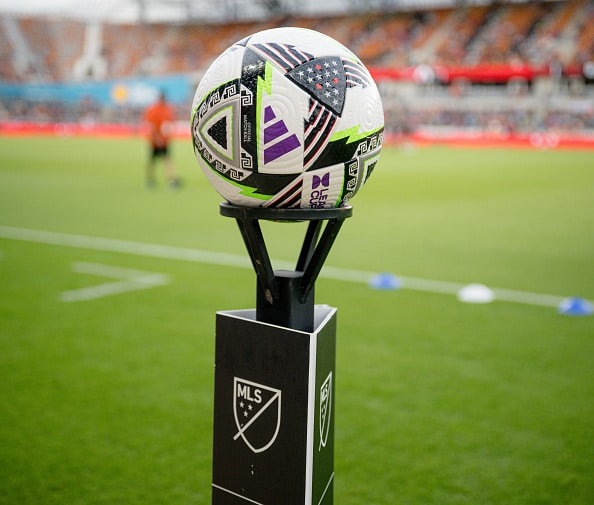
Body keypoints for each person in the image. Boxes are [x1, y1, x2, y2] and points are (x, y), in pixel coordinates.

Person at [142, 91, 181, 189]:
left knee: (161, 159)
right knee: (157, 160)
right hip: (157, 140)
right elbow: (152, 126)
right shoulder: (157, 110)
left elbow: (169, 124)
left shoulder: (164, 109)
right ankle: (155, 179)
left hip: (162, 140)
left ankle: (168, 179)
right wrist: (157, 138)